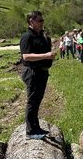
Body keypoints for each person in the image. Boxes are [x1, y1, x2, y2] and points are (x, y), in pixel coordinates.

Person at [20, 11, 56, 140]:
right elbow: (26, 56)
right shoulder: (27, 37)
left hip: (42, 72)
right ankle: (30, 131)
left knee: (37, 101)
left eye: (42, 20)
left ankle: (36, 127)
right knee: (32, 101)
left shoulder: (40, 35)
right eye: (40, 21)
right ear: (31, 21)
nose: (42, 23)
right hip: (32, 72)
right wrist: (46, 56)